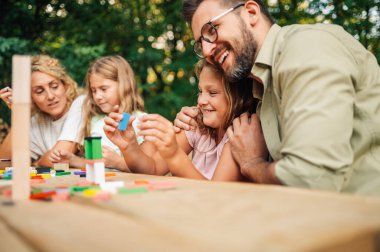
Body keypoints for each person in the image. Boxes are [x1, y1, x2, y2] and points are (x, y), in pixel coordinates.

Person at [177, 0, 380, 196]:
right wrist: (193, 121)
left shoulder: (305, 47)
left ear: (251, 13)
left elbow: (309, 179)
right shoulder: (260, 86)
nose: (206, 50)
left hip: (362, 219)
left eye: (211, 30)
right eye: (200, 43)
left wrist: (252, 164)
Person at [104, 59, 256, 181]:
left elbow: (215, 195)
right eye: (200, 91)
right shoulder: (197, 126)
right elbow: (153, 169)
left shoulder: (240, 137)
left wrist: (174, 154)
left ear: (239, 97)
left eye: (212, 92)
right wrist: (129, 146)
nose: (202, 100)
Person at [50, 55, 146, 171]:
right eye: (94, 90)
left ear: (123, 84)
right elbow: (97, 164)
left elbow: (148, 170)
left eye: (104, 89)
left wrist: (118, 163)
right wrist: (72, 160)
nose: (97, 96)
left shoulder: (141, 121)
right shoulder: (95, 121)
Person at [0, 55, 82, 166]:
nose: (50, 96)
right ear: (31, 97)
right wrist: (19, 115)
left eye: (54, 86)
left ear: (65, 85)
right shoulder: (36, 122)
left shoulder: (80, 105)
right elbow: (3, 164)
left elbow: (60, 158)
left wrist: (38, 163)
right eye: (39, 91)